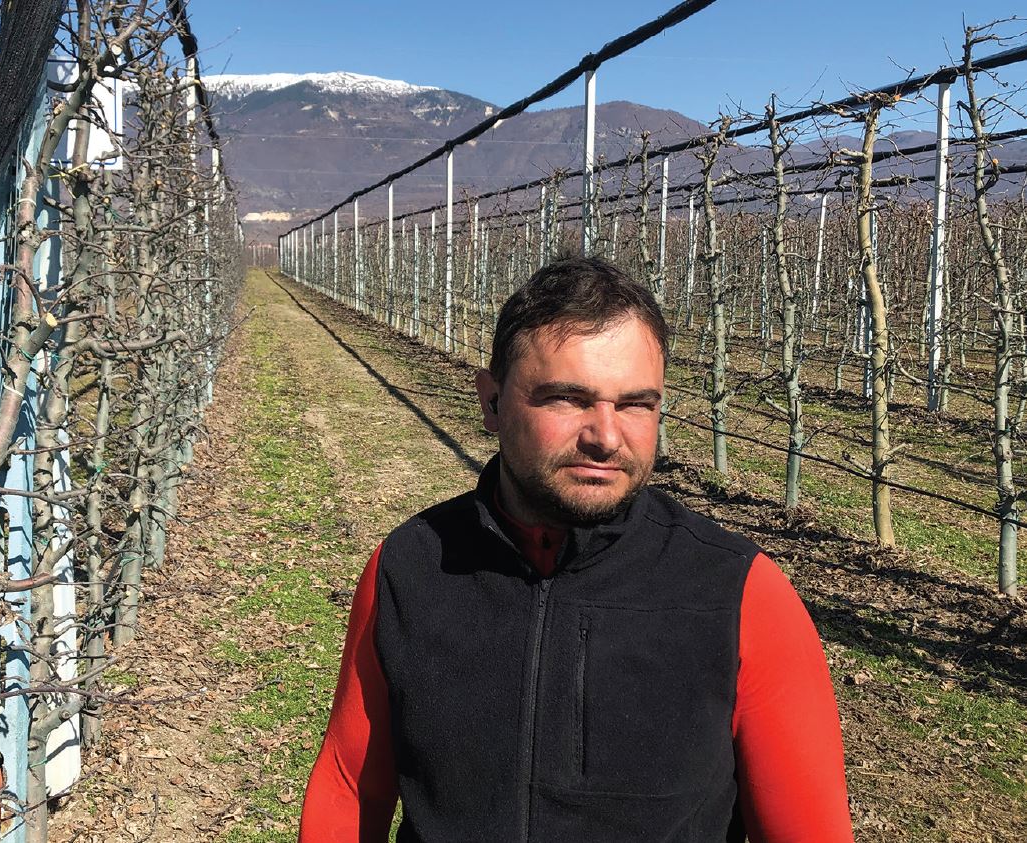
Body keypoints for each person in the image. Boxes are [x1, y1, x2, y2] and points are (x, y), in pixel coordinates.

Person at [299, 257, 854, 842]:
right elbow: (349, 787)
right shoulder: (410, 568)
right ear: (492, 402)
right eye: (567, 398)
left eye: (635, 404)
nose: (606, 437)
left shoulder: (738, 593)